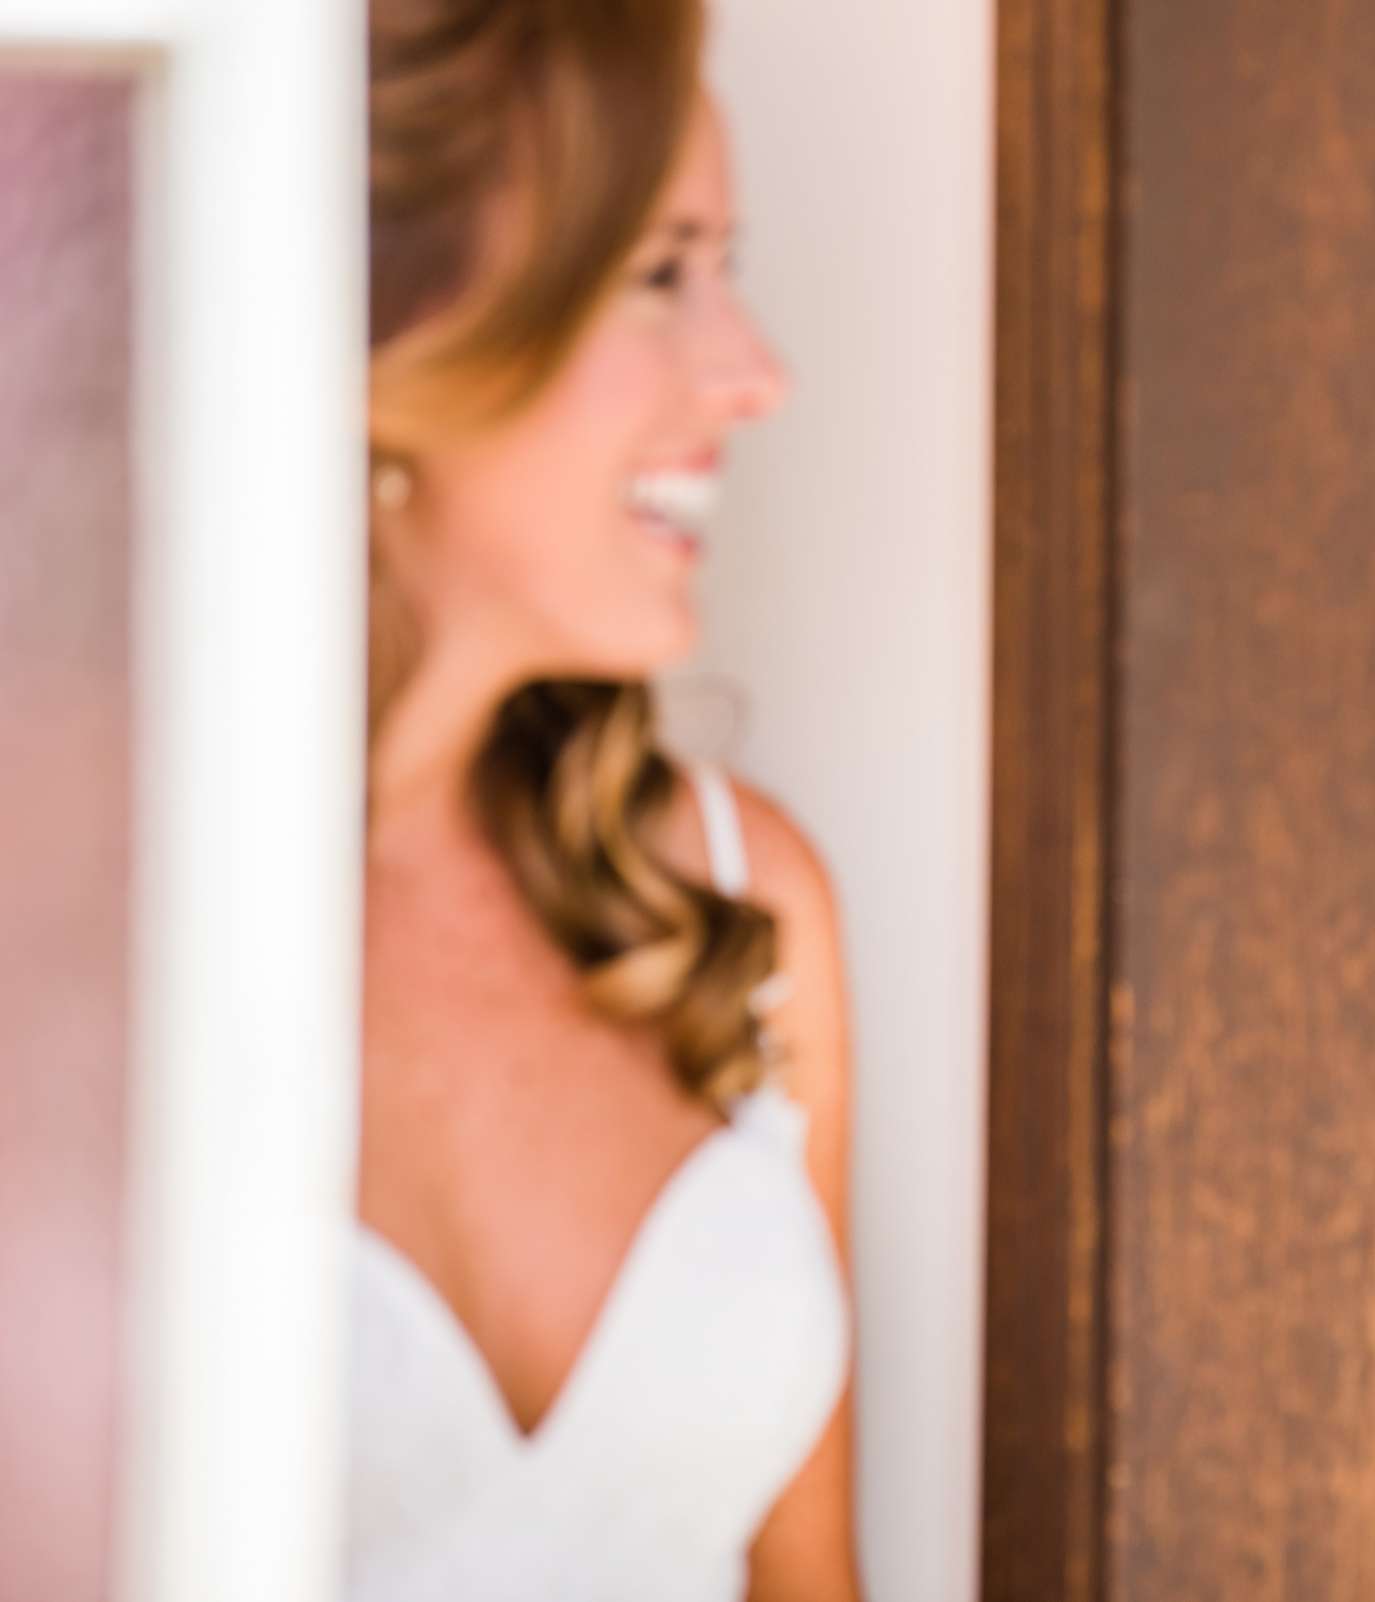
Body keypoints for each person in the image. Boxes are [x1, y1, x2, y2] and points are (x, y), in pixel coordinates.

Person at [351, 3, 857, 1597]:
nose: (755, 373)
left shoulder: (739, 905)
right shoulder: (61, 917)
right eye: (661, 273)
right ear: (390, 328)